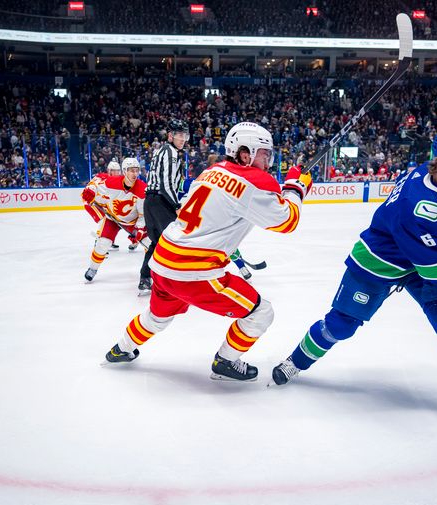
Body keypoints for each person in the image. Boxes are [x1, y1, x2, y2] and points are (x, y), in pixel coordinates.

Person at [270, 121, 437, 438]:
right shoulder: (420, 206)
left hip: (421, 259)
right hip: (379, 262)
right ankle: (296, 361)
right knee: (340, 325)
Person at [102, 122, 312, 382]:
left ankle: (120, 349)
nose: (268, 161)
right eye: (264, 154)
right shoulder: (254, 180)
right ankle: (225, 361)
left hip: (163, 261)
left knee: (156, 316)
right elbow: (287, 221)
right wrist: (295, 187)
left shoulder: (210, 172)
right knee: (261, 313)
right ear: (245, 153)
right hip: (194, 272)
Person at [81, 158, 149, 283]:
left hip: (132, 222)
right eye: (131, 171)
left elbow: (143, 215)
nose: (134, 174)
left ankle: (150, 274)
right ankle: (93, 268)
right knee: (103, 244)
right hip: (112, 218)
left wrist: (139, 229)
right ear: (124, 171)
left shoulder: (142, 189)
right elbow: (96, 182)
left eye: (136, 171)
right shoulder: (112, 182)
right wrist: (90, 190)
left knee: (148, 244)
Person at [141, 119, 189, 294]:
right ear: (170, 136)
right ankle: (174, 281)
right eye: (179, 135)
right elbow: (166, 183)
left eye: (185, 135)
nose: (183, 139)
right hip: (162, 202)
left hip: (150, 202)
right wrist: (176, 205)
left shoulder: (161, 150)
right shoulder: (171, 153)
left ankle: (145, 278)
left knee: (157, 242)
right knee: (175, 240)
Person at [83, 160, 123, 249]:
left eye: (118, 171)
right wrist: (91, 191)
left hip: (102, 204)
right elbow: (92, 185)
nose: (117, 173)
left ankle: (108, 240)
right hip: (91, 202)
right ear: (109, 171)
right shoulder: (101, 177)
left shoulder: (117, 181)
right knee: (104, 220)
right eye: (115, 170)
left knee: (113, 222)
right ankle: (99, 244)